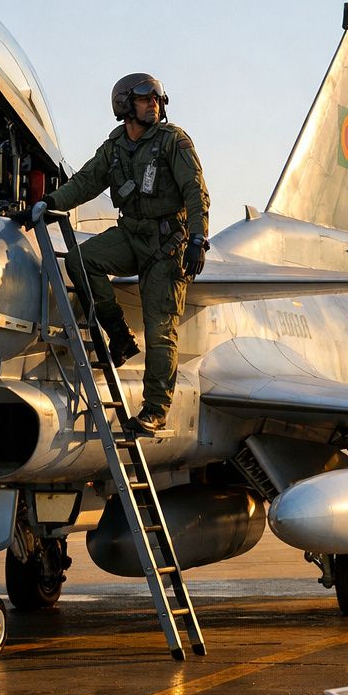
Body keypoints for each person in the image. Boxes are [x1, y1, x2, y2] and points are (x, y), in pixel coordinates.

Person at [27, 73, 210, 435]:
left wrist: (198, 239)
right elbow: (85, 183)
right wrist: (46, 204)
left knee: (161, 331)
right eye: (145, 99)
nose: (154, 104)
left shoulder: (174, 141)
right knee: (81, 261)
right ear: (126, 106)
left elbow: (195, 191)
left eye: (156, 98)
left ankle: (155, 410)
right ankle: (120, 337)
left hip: (167, 244)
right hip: (132, 234)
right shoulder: (114, 147)